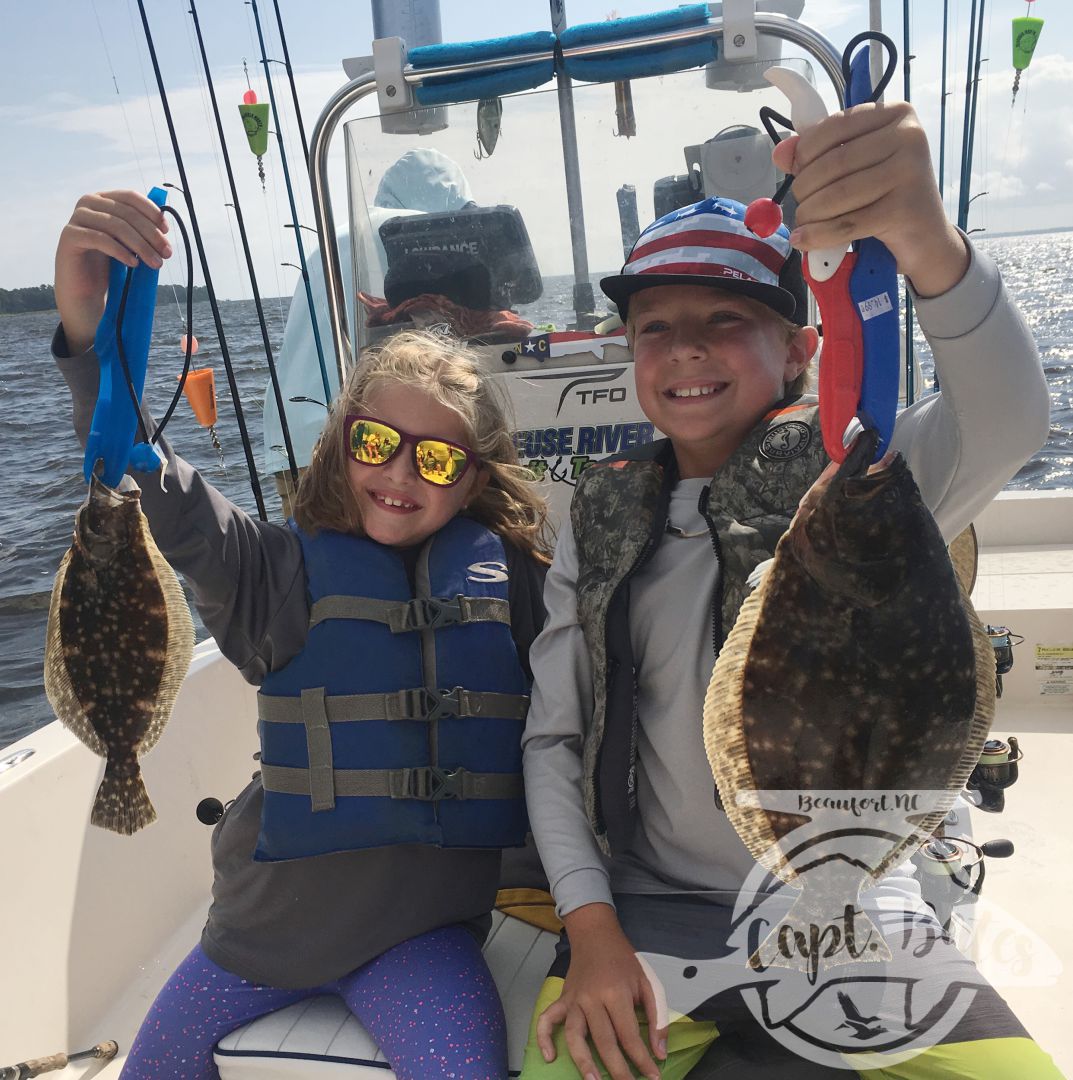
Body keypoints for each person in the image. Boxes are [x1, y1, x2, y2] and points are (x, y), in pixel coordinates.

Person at [518, 101, 1062, 1079]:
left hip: (865, 902)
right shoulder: (593, 518)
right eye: (654, 328)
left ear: (801, 350)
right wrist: (589, 930)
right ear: (627, 354)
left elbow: (1009, 415)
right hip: (653, 918)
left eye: (724, 321)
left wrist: (921, 239)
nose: (684, 348)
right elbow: (554, 740)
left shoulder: (868, 476)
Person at [53, 188, 551, 1080]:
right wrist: (90, 326)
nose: (400, 473)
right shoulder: (266, 573)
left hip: (419, 941)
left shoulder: (514, 580)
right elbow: (141, 466)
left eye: (435, 459)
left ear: (472, 477)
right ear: (341, 445)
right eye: (374, 444)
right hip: (258, 937)